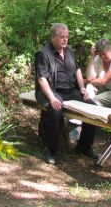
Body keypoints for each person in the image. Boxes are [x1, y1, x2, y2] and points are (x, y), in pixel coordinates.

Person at [35, 23, 97, 165]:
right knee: (55, 112)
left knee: (92, 108)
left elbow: (77, 71)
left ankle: (84, 146)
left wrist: (82, 89)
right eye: (62, 37)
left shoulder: (69, 51)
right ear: (53, 38)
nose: (65, 40)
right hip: (53, 91)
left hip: (71, 90)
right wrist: (51, 98)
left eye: (67, 37)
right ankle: (50, 149)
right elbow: (42, 78)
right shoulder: (44, 54)